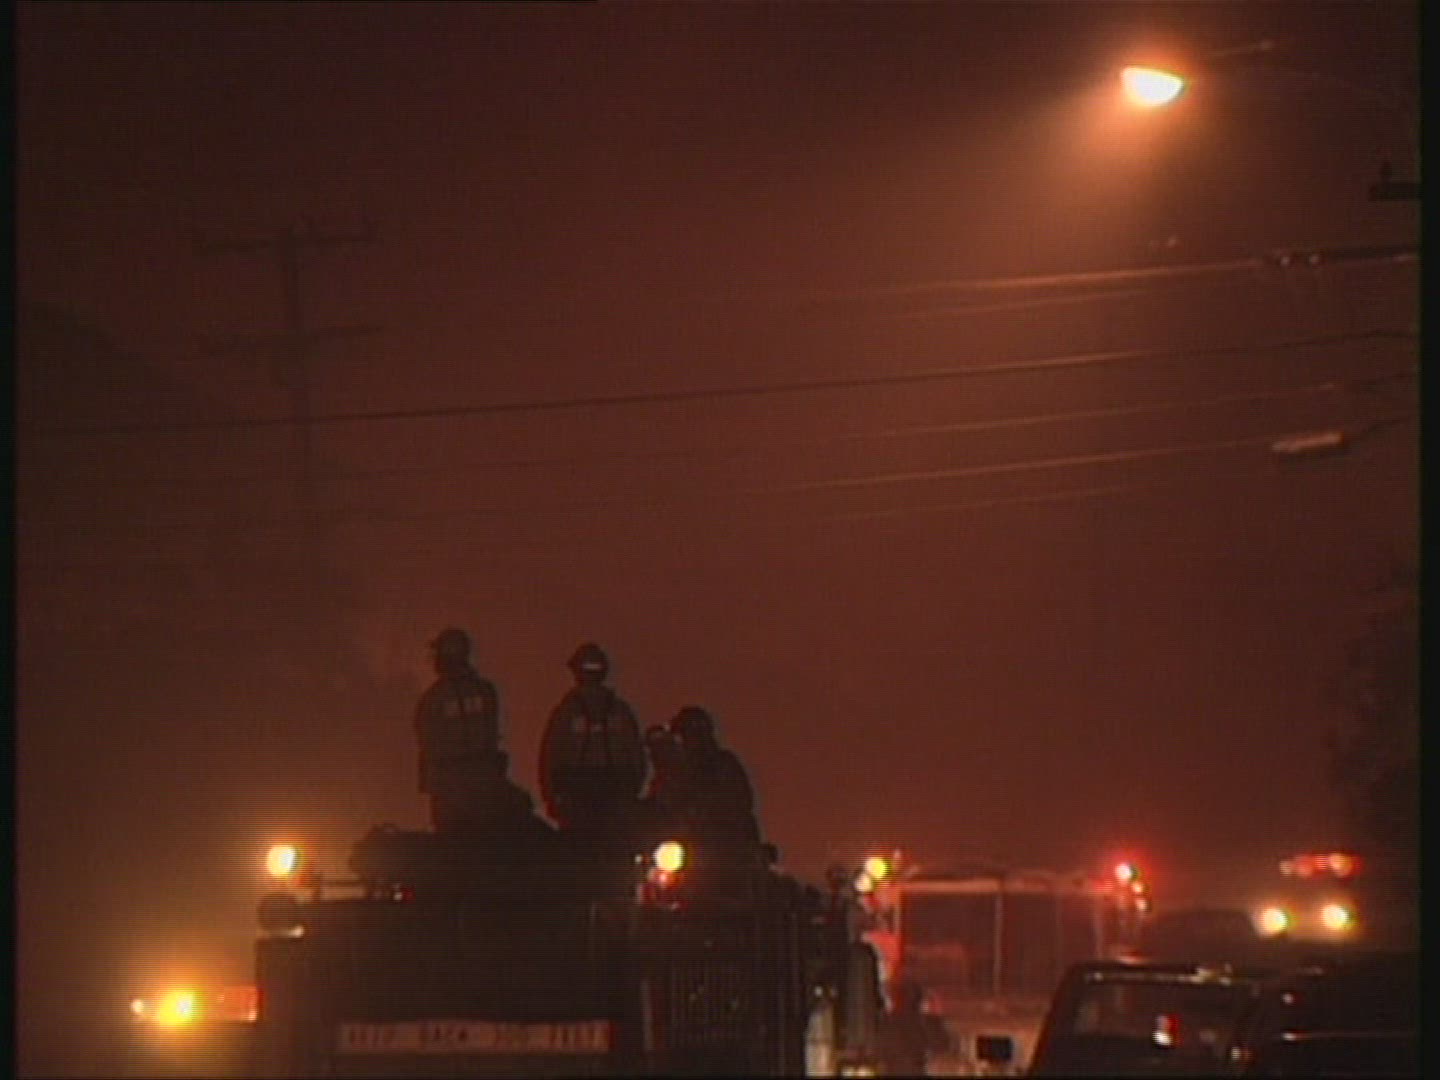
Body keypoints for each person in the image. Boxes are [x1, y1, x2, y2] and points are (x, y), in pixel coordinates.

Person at [538, 642, 646, 833]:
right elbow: (636, 757)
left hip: (591, 796)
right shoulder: (619, 711)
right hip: (601, 795)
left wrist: (551, 797)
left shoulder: (566, 713)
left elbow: (550, 757)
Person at [413, 627, 504, 833]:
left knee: (451, 843)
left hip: (450, 788)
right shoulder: (485, 690)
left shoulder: (433, 698)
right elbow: (492, 734)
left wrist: (431, 784)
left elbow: (427, 743)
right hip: (483, 783)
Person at [666, 706, 761, 843]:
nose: (685, 740)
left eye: (688, 734)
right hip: (690, 838)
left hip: (726, 837)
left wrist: (707, 812)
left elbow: (740, 799)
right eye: (682, 735)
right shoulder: (678, 771)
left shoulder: (724, 763)